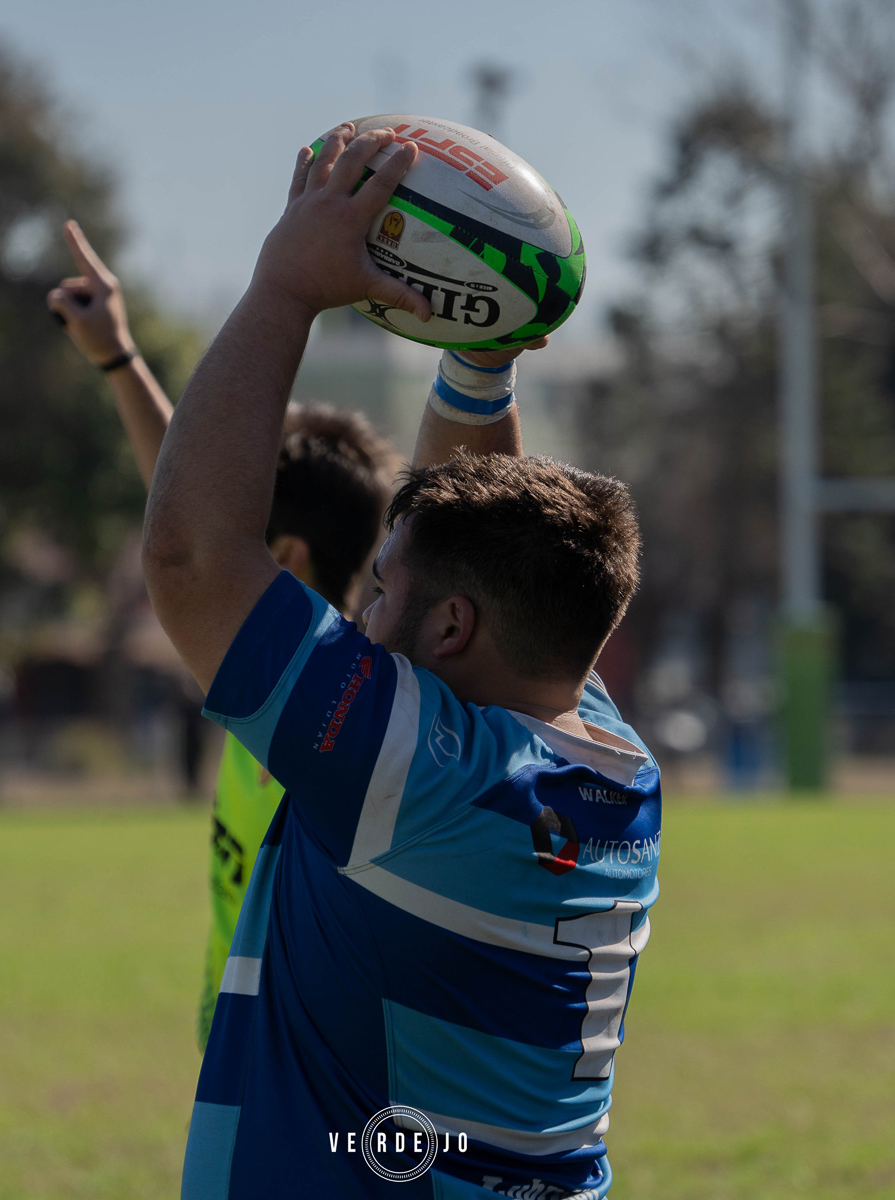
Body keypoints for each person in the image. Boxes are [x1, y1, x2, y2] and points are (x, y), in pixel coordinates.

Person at [142, 124, 657, 1198]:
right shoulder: (608, 759)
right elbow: (482, 542)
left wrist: (284, 287)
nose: (357, 613)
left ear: (454, 630)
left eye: (378, 590)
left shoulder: (412, 776)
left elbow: (192, 557)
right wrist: (480, 362)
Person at [46, 222, 398, 1048]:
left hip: (301, 1091)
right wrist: (120, 360)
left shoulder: (330, 704)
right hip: (244, 1068)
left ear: (286, 556)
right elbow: (188, 508)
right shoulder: (296, 679)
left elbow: (195, 541)